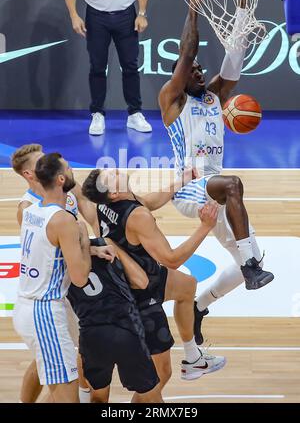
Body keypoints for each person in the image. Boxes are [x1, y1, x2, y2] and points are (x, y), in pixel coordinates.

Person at [158, 0, 274, 346]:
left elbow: (234, 58)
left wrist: (240, 9)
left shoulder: (213, 97)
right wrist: (193, 12)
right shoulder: (171, 99)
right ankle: (252, 270)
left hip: (214, 186)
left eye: (198, 70)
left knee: (250, 256)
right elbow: (187, 51)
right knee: (233, 184)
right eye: (189, 69)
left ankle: (199, 306)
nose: (195, 70)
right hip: (189, 186)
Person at [82, 168, 226, 385]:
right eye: (110, 176)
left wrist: (181, 181)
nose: (115, 170)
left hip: (130, 273)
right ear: (113, 193)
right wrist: (205, 227)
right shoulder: (138, 217)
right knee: (159, 376)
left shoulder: (107, 203)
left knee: (187, 286)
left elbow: (146, 201)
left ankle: (193, 357)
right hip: (140, 287)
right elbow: (172, 259)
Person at [11, 143, 100, 403]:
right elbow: (58, 253)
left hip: (56, 293)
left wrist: (97, 243)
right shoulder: (27, 208)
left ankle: (80, 394)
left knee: (75, 351)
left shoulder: (62, 193)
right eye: (41, 162)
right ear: (31, 174)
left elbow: (83, 204)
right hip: (49, 297)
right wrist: (82, 239)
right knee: (48, 365)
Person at [65, 0, 152, 136]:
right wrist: (74, 16)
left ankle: (135, 113)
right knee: (97, 67)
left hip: (127, 15)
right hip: (96, 17)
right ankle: (97, 113)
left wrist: (142, 13)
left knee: (130, 65)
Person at [68, 237, 163, 403]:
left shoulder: (59, 261)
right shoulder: (103, 245)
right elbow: (141, 282)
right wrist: (116, 247)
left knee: (98, 398)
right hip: (126, 331)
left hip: (92, 335)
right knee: (152, 398)